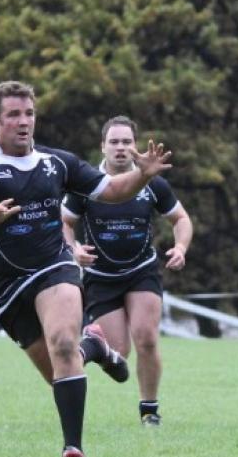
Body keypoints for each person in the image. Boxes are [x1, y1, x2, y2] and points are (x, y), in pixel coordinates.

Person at [0, 80, 172, 457]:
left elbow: (112, 190)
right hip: (7, 287)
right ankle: (95, 348)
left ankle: (73, 448)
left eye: (29, 113)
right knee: (60, 370)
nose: (23, 121)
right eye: (13, 114)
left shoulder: (57, 163)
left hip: (55, 267)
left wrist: (144, 176)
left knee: (64, 345)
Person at [62, 115, 193, 427]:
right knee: (119, 352)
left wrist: (181, 247)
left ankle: (149, 410)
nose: (120, 148)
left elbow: (182, 220)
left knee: (147, 338)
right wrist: (74, 249)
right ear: (103, 147)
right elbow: (64, 223)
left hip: (141, 271)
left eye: (126, 142)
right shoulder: (87, 185)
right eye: (114, 142)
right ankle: (96, 344)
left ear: (135, 147)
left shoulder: (153, 184)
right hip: (101, 277)